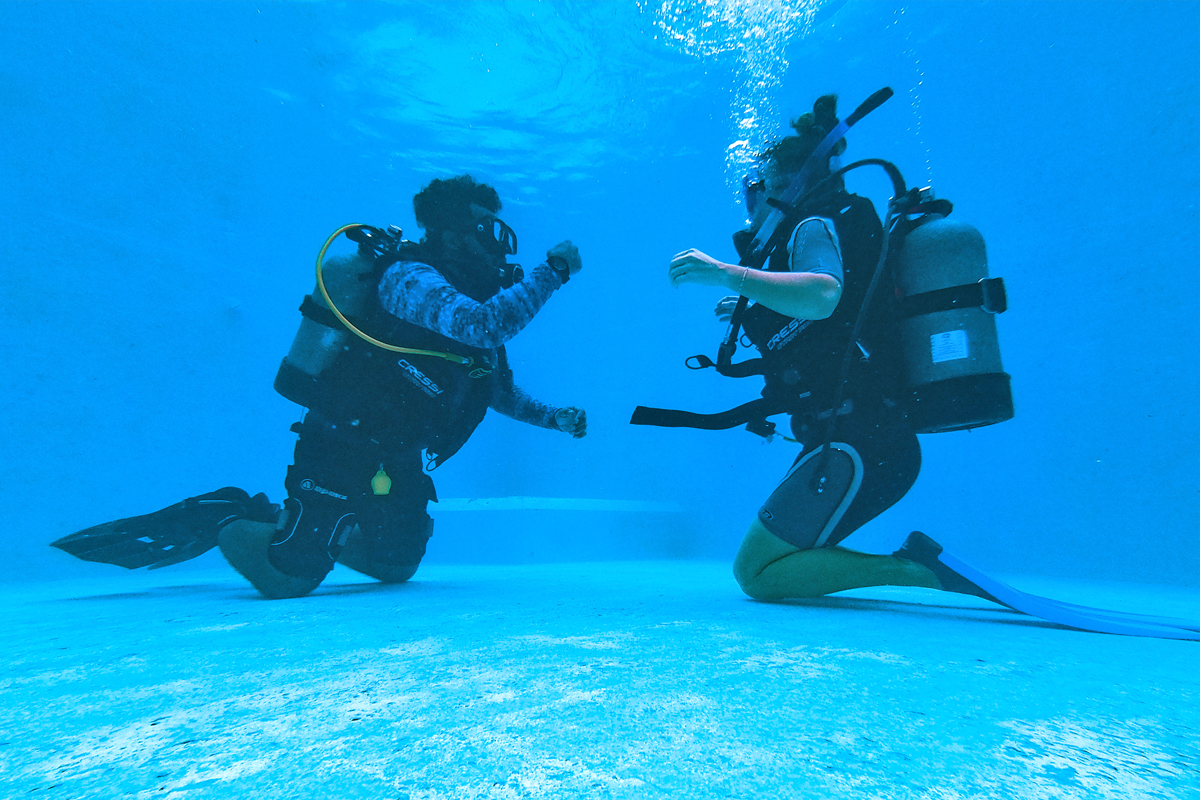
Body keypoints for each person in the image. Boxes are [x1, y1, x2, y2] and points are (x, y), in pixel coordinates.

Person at [53, 174, 587, 600]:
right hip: (341, 444)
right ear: (450, 236)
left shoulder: (472, 307)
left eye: (503, 233)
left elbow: (493, 390)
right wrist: (554, 270)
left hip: (395, 457)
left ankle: (322, 526)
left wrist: (553, 417)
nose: (501, 246)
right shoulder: (409, 281)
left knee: (397, 565)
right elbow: (482, 326)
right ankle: (232, 513)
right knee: (288, 579)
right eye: (488, 231)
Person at [659, 94, 949, 602]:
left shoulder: (812, 222)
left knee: (758, 573)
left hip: (864, 442)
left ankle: (918, 570)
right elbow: (821, 316)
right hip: (859, 437)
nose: (751, 210)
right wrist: (756, 303)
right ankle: (915, 565)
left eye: (758, 191)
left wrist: (725, 273)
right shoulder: (817, 228)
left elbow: (822, 294)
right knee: (759, 568)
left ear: (786, 188)